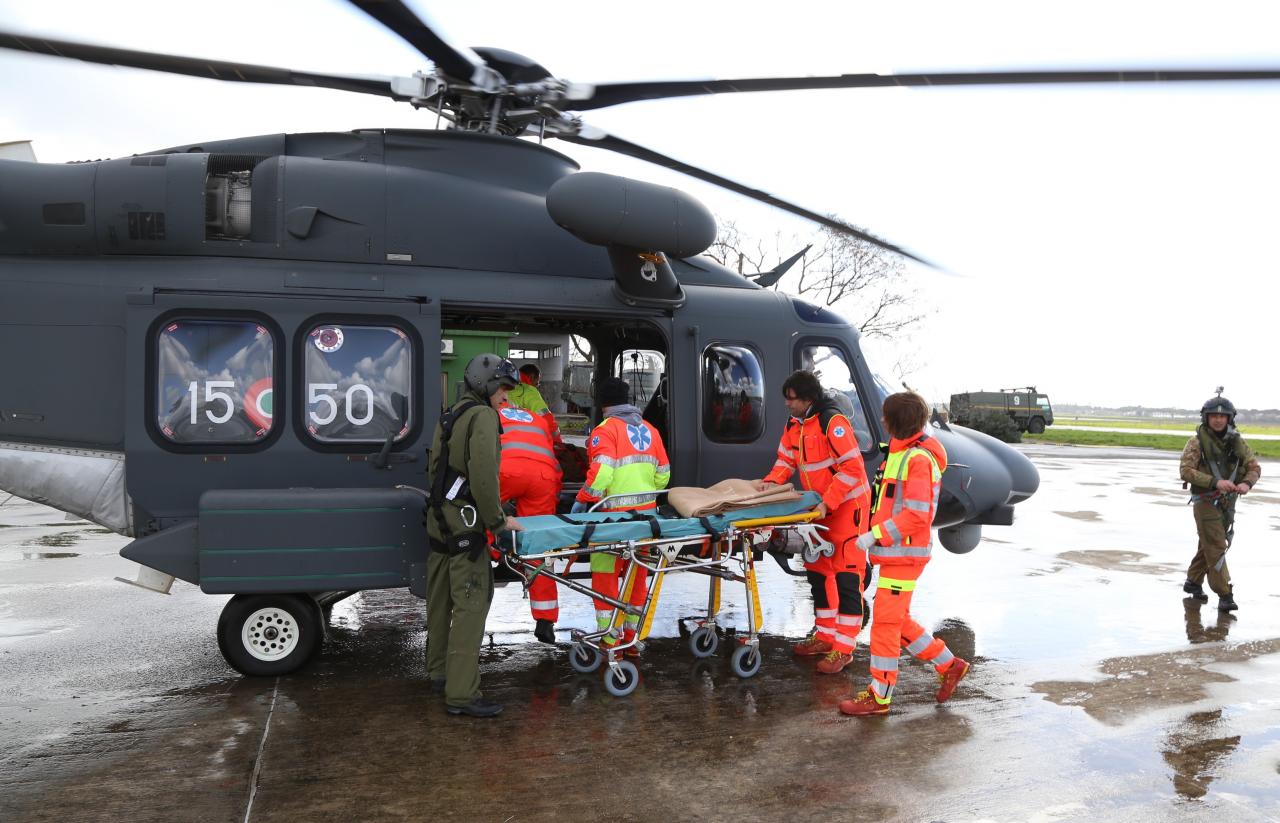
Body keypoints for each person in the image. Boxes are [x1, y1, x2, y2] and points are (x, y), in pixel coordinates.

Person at [840, 391, 970, 717]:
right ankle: (948, 665)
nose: (882, 421)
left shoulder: (918, 460)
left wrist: (874, 535)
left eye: (886, 416)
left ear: (896, 421)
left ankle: (879, 696)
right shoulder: (903, 454)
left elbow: (916, 515)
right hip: (898, 553)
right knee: (896, 620)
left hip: (904, 554)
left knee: (884, 622)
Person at [753, 369, 872, 675]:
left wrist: (827, 503)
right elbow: (785, 462)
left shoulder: (833, 423)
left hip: (847, 507)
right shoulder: (796, 424)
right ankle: (824, 636)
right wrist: (769, 486)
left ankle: (844, 649)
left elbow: (852, 470)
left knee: (847, 576)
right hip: (821, 508)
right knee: (819, 571)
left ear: (808, 399)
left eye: (791, 400)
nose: (788, 405)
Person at [425, 353, 523, 718]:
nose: (506, 398)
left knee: (439, 603)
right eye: (503, 390)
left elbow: (436, 467)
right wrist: (498, 522)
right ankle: (462, 694)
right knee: (470, 605)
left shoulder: (450, 415)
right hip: (465, 525)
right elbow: (484, 478)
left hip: (439, 521)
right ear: (487, 386)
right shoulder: (482, 417)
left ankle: (439, 673)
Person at [572, 376, 670, 656]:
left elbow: (602, 473)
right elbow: (664, 474)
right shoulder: (650, 430)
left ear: (603, 403)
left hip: (612, 522)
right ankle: (631, 638)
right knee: (637, 575)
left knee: (605, 577)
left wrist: (583, 499)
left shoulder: (605, 431)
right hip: (646, 520)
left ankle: (609, 639)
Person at [1179, 392, 1261, 613]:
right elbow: (1185, 471)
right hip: (1205, 501)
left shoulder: (1237, 442)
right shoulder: (1196, 442)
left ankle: (1193, 582)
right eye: (1213, 415)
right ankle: (1225, 594)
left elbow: (1254, 467)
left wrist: (1246, 484)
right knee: (1216, 546)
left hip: (1228, 503)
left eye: (1222, 416)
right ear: (1206, 418)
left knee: (1209, 542)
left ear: (1229, 419)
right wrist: (1215, 482)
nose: (1217, 419)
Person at [497, 395, 562, 644]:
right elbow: (553, 452)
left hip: (506, 470)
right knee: (539, 544)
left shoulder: (489, 414)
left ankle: (498, 557)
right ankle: (545, 620)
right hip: (543, 476)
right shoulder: (535, 418)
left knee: (480, 520)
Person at [506, 363, 565, 450]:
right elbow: (547, 419)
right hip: (523, 444)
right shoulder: (529, 391)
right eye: (536, 383)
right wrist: (558, 444)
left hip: (504, 442)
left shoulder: (505, 388)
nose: (536, 386)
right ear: (531, 378)